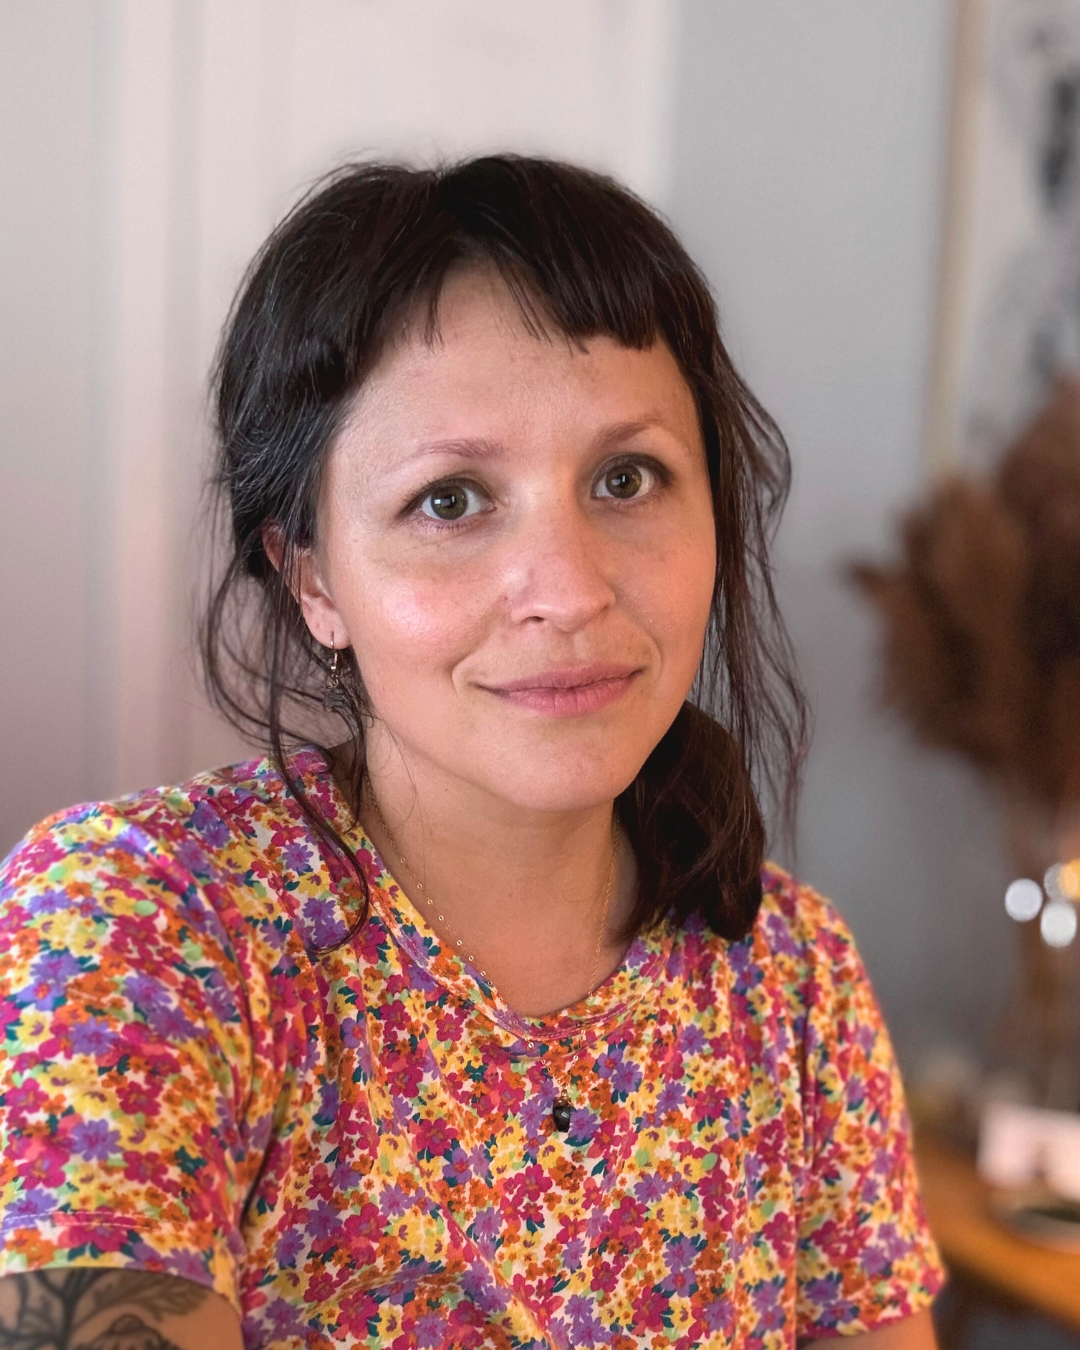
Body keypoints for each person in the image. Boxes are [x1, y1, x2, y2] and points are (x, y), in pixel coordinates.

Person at [0, 157, 942, 1349]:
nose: (568, 589)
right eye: (450, 501)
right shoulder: (145, 923)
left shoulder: (794, 977)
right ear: (313, 581)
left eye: (626, 477)